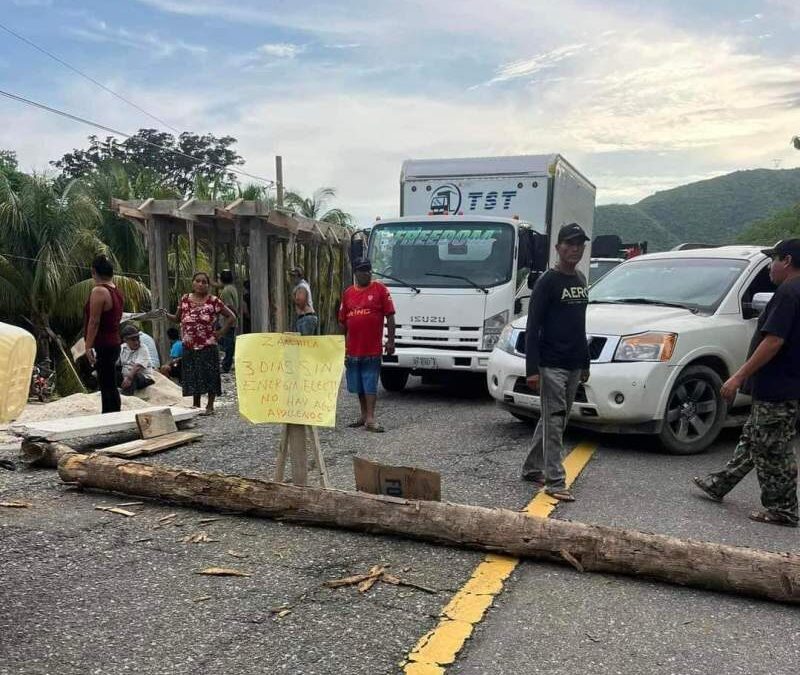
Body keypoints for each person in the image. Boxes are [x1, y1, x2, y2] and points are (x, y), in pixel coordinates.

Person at [693, 239, 800, 527]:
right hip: (785, 385)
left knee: (772, 449)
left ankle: (783, 509)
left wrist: (739, 375)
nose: (770, 267)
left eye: (773, 260)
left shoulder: (789, 292)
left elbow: (774, 340)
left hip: (779, 387)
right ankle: (719, 483)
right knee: (753, 437)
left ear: (787, 260)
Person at [521, 223, 591, 502]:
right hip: (551, 364)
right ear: (558, 247)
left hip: (574, 361)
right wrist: (532, 370)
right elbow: (532, 326)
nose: (575, 249)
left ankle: (531, 468)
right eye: (570, 244)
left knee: (553, 420)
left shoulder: (581, 279)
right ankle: (554, 480)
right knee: (555, 419)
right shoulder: (547, 282)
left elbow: (579, 325)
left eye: (579, 244)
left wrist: (585, 363)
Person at [338, 258, 396, 432]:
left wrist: (391, 340)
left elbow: (390, 316)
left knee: (370, 383)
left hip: (372, 348)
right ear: (356, 273)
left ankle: (371, 418)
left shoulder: (380, 290)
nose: (366, 274)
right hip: (353, 349)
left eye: (368, 271)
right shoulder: (348, 293)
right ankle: (363, 415)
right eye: (362, 271)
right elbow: (342, 322)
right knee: (358, 385)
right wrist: (339, 344)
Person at [168, 272, 236, 415]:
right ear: (192, 283)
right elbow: (177, 318)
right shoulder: (185, 299)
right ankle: (196, 404)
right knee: (192, 374)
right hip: (189, 345)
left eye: (204, 282)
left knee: (210, 374)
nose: (200, 284)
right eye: (197, 281)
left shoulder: (214, 301)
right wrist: (164, 314)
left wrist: (220, 333)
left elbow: (231, 317)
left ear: (208, 285)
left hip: (208, 344)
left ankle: (210, 406)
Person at [83, 255, 124, 413]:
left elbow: (94, 321)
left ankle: (110, 415)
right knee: (109, 382)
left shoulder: (99, 291)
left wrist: (88, 346)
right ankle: (113, 413)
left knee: (106, 384)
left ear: (94, 272)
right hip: (114, 341)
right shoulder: (116, 290)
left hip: (104, 343)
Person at [118, 324, 155, 395]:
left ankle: (127, 396)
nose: (136, 342)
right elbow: (116, 362)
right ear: (125, 339)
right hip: (125, 375)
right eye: (133, 340)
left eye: (137, 339)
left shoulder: (143, 348)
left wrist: (129, 378)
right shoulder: (122, 347)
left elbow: (137, 366)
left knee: (133, 376)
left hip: (142, 377)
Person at [217, 269, 239, 373]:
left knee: (228, 343)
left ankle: (226, 365)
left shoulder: (225, 291)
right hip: (230, 320)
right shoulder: (232, 288)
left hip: (227, 321)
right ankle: (227, 363)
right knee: (228, 342)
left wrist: (234, 315)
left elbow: (229, 305)